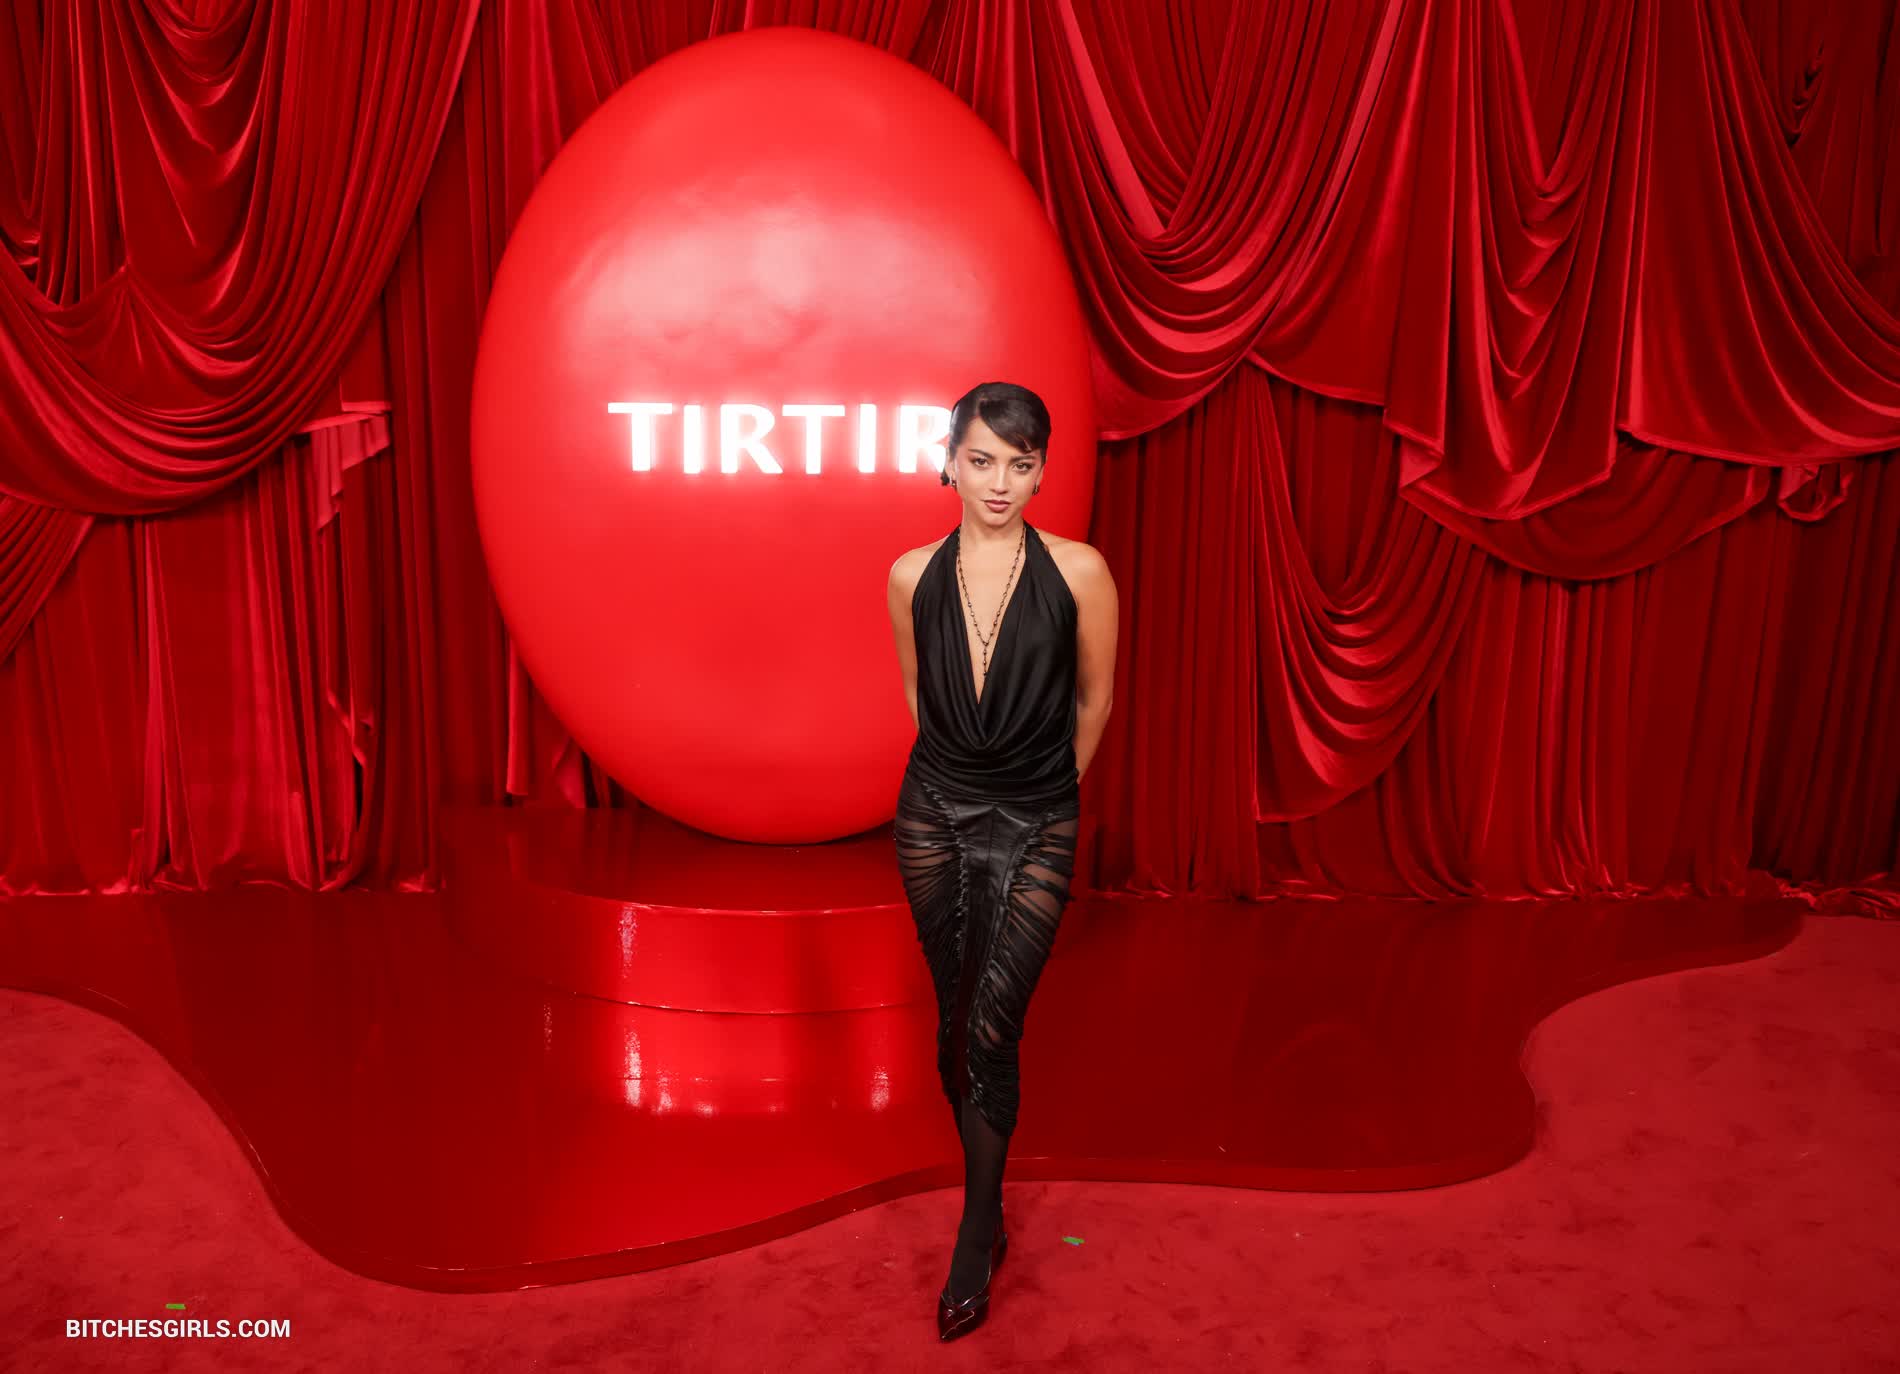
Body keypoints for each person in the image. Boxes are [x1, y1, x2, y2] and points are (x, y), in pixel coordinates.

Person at [885, 380, 1119, 1341]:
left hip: (1037, 817)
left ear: (1040, 472)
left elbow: (1094, 702)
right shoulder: (910, 575)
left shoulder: (1080, 571)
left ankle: (977, 1232)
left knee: (991, 1026)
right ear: (949, 461)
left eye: (1020, 465)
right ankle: (989, 1207)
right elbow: (918, 696)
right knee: (953, 1026)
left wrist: (1044, 795)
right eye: (982, 460)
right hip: (933, 815)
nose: (999, 482)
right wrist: (962, 776)